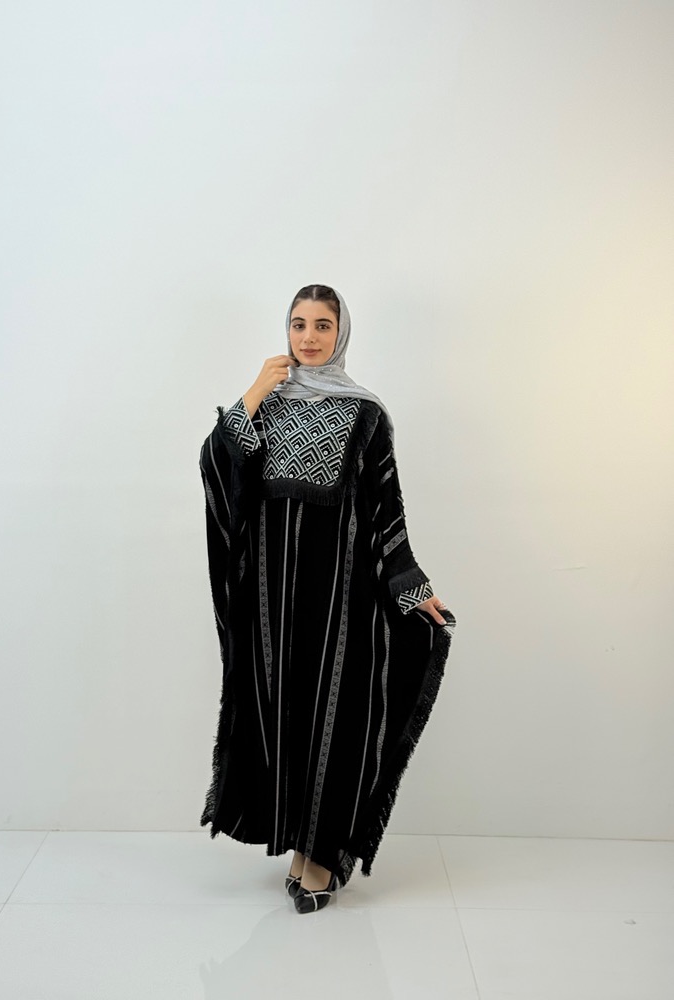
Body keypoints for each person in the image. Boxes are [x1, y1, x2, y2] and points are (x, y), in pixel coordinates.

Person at [199, 283, 456, 914]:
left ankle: (321, 858)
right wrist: (252, 394)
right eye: (298, 324)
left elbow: (386, 509)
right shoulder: (265, 407)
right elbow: (216, 468)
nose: (309, 337)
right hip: (272, 604)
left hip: (342, 600)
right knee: (285, 717)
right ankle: (300, 847)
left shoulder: (365, 414)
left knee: (335, 717)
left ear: (340, 333)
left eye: (322, 325)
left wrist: (413, 588)